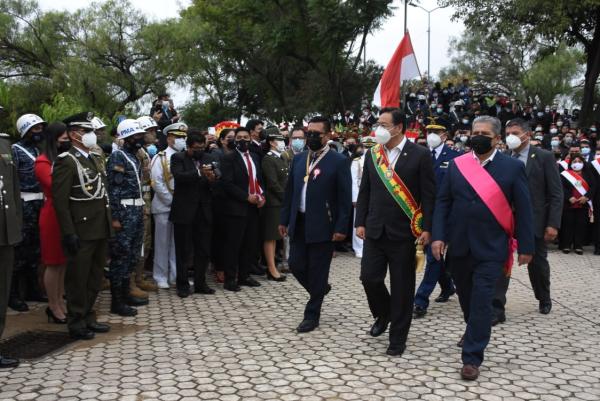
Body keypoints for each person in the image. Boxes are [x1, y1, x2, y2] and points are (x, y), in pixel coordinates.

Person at [431, 115, 534, 380]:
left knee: (481, 301)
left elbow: (524, 209)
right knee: (466, 297)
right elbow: (443, 202)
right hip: (460, 245)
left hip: (491, 247)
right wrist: (438, 236)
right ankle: (473, 329)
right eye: (474, 132)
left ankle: (472, 357)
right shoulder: (457, 165)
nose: (477, 136)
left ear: (497, 139)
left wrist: (526, 246)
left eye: (484, 133)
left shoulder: (512, 168)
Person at [355, 108, 435, 356]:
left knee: (402, 288)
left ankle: (398, 338)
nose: (378, 128)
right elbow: (365, 190)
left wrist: (429, 228)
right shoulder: (373, 155)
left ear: (399, 127)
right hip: (376, 230)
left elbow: (430, 195)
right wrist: (361, 222)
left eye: (383, 124)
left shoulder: (420, 155)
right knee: (369, 278)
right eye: (377, 124)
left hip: (406, 234)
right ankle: (384, 313)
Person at [279, 116, 352, 333]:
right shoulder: (300, 159)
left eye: (315, 134)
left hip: (324, 224)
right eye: (308, 133)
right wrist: (284, 219)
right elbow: (290, 192)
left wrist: (341, 227)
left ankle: (312, 315)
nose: (310, 137)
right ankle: (319, 290)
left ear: (327, 136)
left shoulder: (338, 161)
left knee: (319, 270)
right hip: (299, 222)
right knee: (295, 264)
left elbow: (344, 197)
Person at [492, 118, 563, 323]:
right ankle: (497, 307)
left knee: (537, 263)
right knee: (500, 262)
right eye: (508, 133)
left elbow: (556, 194)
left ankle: (544, 297)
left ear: (527, 135)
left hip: (534, 221)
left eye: (515, 133)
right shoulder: (502, 157)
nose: (511, 137)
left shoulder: (544, 157)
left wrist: (553, 224)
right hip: (505, 220)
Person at [52, 112, 112, 340]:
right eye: (87, 132)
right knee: (78, 277)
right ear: (74, 134)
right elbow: (61, 201)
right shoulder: (66, 161)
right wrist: (68, 232)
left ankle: (88, 315)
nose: (91, 135)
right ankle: (76, 321)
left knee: (95, 276)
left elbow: (102, 194)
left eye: (91, 132)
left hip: (99, 226)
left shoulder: (94, 158)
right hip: (81, 228)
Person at [413, 122, 460, 319]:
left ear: (444, 135)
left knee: (433, 256)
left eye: (436, 132)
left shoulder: (455, 157)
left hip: (445, 214)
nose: (431, 135)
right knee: (435, 256)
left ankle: (420, 300)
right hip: (422, 213)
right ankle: (448, 286)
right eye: (429, 131)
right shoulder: (419, 154)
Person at [106, 119, 148, 316]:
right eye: (135, 136)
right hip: (124, 211)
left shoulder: (135, 157)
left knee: (131, 256)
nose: (139, 139)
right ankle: (117, 301)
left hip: (137, 210)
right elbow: (113, 190)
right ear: (126, 138)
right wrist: (115, 217)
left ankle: (126, 293)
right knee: (120, 257)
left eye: (141, 135)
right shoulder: (117, 157)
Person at [169, 133, 218, 297]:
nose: (199, 151)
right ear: (189, 146)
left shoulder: (208, 157)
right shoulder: (178, 158)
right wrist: (198, 173)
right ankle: (182, 285)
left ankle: (200, 283)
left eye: (202, 148)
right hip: (184, 211)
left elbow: (218, 175)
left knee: (203, 249)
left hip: (204, 210)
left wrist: (213, 177)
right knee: (183, 250)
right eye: (196, 148)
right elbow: (179, 177)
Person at [220, 127, 265, 291]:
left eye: (246, 137)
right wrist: (246, 197)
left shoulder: (254, 157)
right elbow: (227, 183)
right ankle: (230, 279)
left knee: (250, 244)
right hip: (236, 208)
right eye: (239, 137)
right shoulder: (229, 158)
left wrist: (262, 195)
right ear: (235, 140)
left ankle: (244, 276)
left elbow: (258, 179)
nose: (243, 140)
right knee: (233, 245)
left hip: (253, 208)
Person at [10, 113, 47, 312]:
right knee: (20, 251)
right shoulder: (16, 150)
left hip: (39, 204)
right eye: (35, 129)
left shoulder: (38, 149)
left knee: (35, 250)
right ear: (26, 131)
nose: (39, 132)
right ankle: (13, 294)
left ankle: (33, 288)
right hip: (24, 204)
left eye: (41, 128)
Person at [35, 122, 71, 324]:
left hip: (65, 214)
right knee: (53, 263)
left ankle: (60, 300)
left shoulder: (62, 159)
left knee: (63, 261)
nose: (65, 142)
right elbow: (55, 186)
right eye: (63, 139)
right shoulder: (42, 162)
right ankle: (53, 305)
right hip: (52, 216)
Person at [150, 123, 187, 289]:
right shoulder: (160, 157)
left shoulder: (186, 156)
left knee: (177, 243)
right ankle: (160, 276)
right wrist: (172, 201)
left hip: (181, 207)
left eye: (183, 137)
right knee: (162, 242)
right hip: (165, 206)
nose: (181, 140)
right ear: (169, 138)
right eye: (178, 137)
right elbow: (156, 182)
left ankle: (176, 275)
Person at [0, 129, 23, 368]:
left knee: (2, 289)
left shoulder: (4, 144)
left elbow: (13, 188)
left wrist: (15, 223)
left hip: (4, 230)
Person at [261, 133, 289, 282]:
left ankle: (276, 266)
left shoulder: (282, 157)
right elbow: (273, 183)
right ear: (272, 142)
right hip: (274, 203)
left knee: (279, 236)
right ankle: (271, 269)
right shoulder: (268, 159)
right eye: (279, 140)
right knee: (271, 237)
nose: (282, 142)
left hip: (281, 202)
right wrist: (285, 198)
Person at [559, 154, 595, 255]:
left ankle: (578, 246)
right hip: (569, 203)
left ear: (583, 163)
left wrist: (586, 197)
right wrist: (569, 197)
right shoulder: (565, 174)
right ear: (571, 163)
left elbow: (594, 187)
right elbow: (561, 187)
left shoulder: (588, 174)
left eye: (579, 161)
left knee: (581, 225)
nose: (577, 163)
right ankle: (566, 245)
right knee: (567, 224)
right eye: (574, 161)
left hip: (583, 204)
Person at [350, 136, 376, 258]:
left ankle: (370, 245)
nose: (369, 149)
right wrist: (354, 198)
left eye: (371, 146)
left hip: (375, 195)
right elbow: (353, 180)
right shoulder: (357, 161)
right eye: (367, 147)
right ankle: (358, 248)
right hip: (360, 194)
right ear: (362, 147)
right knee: (359, 220)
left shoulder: (379, 160)